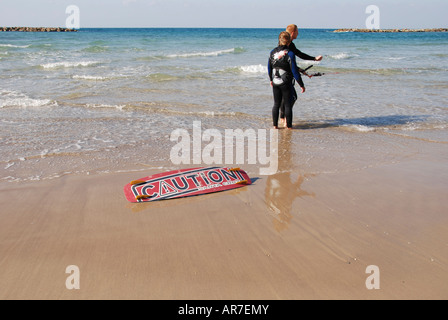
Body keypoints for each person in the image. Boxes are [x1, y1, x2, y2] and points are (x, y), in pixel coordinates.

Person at [279, 24, 323, 126]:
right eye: (297, 32)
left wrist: (300, 70)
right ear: (293, 33)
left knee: (284, 97)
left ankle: (282, 118)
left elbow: (295, 57)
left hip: (279, 74)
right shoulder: (287, 45)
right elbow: (298, 56)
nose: (298, 34)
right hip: (285, 75)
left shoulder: (286, 44)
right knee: (292, 97)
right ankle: (285, 120)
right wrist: (314, 59)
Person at [268, 31, 304, 129]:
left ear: (279, 40)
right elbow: (294, 71)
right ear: (289, 42)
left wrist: (271, 79)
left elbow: (269, 67)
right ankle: (289, 126)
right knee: (288, 105)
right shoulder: (290, 53)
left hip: (275, 81)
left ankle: (275, 125)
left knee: (276, 104)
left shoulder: (272, 52)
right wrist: (301, 84)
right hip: (285, 82)